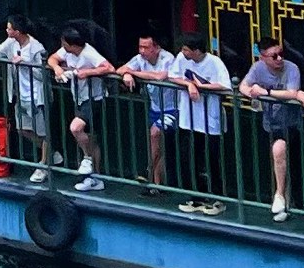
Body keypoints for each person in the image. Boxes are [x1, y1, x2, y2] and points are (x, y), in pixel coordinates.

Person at [240, 36, 304, 220]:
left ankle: (282, 197)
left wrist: (267, 93)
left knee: (281, 151)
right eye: (274, 56)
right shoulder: (257, 68)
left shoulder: (292, 68)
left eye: (281, 54)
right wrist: (253, 92)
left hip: (291, 123)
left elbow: (292, 92)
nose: (279, 59)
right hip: (270, 123)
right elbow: (243, 86)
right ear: (263, 57)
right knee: (277, 161)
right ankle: (281, 200)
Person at [167, 30, 231, 210]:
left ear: (196, 51)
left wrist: (202, 87)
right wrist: (189, 84)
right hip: (190, 118)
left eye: (187, 50)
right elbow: (172, 75)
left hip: (210, 118)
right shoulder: (181, 58)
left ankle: (218, 199)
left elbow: (225, 85)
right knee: (189, 158)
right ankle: (196, 197)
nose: (183, 52)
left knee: (212, 159)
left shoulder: (214, 62)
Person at [0, 15, 53, 182]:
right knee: (22, 129)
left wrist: (25, 63)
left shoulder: (37, 47)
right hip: (19, 94)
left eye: (9, 28)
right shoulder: (11, 43)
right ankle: (51, 153)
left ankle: (44, 165)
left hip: (36, 96)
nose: (7, 31)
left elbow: (43, 74)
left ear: (18, 31)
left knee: (43, 131)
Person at [50, 24, 115, 191]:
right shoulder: (67, 51)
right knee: (91, 138)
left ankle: (87, 159)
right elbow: (52, 58)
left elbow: (109, 68)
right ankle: (95, 178)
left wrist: (87, 72)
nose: (62, 45)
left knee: (76, 127)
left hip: (93, 98)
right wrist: (58, 68)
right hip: (78, 97)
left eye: (64, 43)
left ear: (73, 44)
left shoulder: (89, 53)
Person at [119, 30, 179, 187]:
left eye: (146, 47)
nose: (142, 51)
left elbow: (160, 76)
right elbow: (119, 70)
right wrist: (127, 75)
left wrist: (133, 72)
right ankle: (156, 185)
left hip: (173, 108)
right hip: (155, 107)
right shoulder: (139, 59)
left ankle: (147, 170)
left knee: (155, 133)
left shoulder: (168, 58)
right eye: (140, 47)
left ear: (157, 48)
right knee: (157, 145)